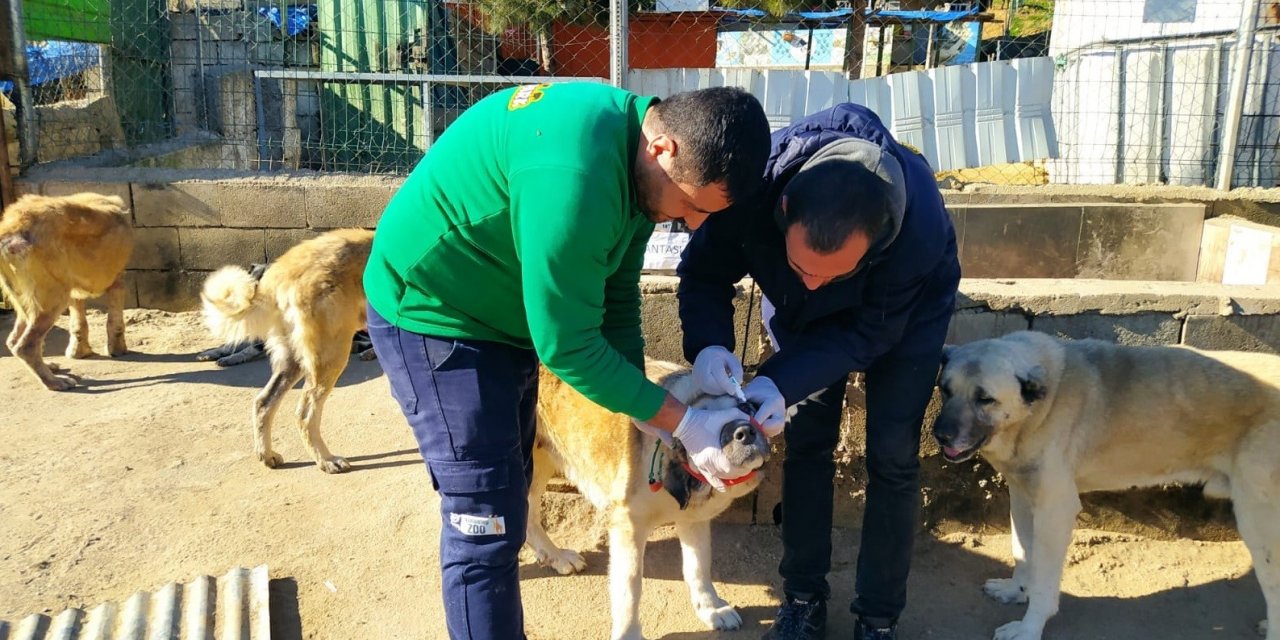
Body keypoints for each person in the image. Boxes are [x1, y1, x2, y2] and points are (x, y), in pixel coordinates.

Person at [362, 81, 772, 639]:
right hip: (434, 309)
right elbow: (568, 345)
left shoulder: (635, 161)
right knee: (483, 517)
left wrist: (642, 414)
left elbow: (617, 300)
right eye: (694, 204)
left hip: (507, 315)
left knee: (513, 482)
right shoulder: (575, 176)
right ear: (664, 148)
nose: (694, 224)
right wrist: (683, 421)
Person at [676, 102, 962, 640]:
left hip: (900, 314)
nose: (812, 282)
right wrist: (710, 346)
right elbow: (704, 271)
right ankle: (803, 599)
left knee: (893, 455)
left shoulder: (916, 234)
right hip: (799, 319)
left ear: (874, 244)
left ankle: (877, 619)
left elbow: (868, 335)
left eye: (830, 272)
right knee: (806, 440)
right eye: (802, 265)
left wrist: (780, 380)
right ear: (782, 209)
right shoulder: (755, 185)